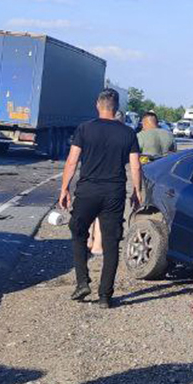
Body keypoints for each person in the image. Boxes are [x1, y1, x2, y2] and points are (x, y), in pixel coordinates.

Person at [59, 88, 142, 308]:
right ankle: (105, 296)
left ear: (98, 104)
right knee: (111, 242)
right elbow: (135, 165)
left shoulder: (85, 129)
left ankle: (82, 282)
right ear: (116, 108)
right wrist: (136, 191)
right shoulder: (128, 133)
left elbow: (72, 161)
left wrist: (64, 189)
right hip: (114, 193)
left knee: (78, 231)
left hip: (88, 191)